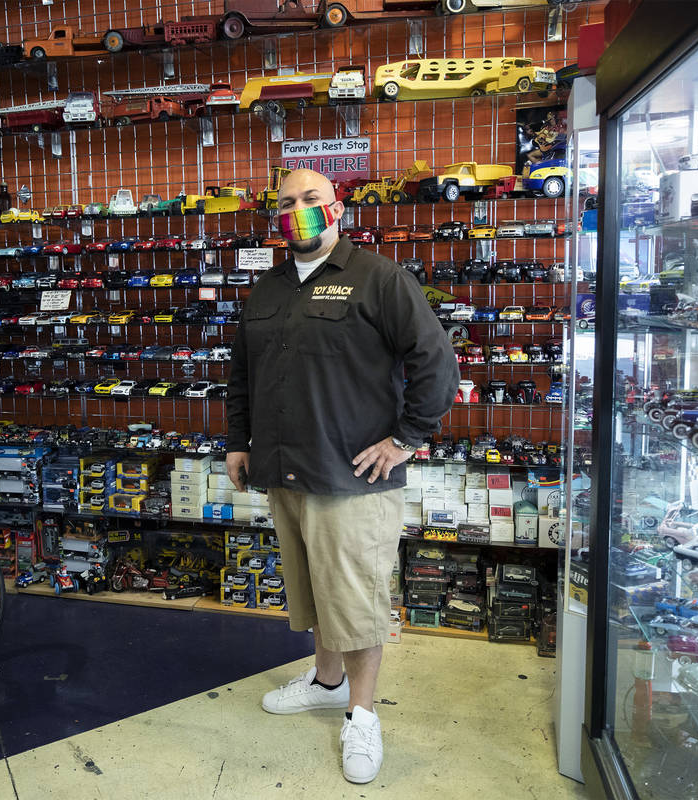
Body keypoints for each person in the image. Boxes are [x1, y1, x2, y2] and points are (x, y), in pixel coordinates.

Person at [225, 168, 458, 784]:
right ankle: (327, 682)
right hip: (284, 471)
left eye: (311, 200)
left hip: (350, 479)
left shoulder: (378, 279)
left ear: (336, 208)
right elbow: (241, 375)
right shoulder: (267, 288)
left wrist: (407, 438)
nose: (299, 211)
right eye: (287, 203)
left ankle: (362, 714)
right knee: (313, 591)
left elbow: (436, 361)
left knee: (354, 603)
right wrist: (237, 443)